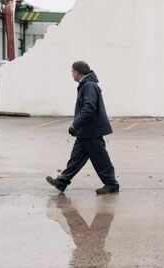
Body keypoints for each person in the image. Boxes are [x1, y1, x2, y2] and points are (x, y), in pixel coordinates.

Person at [46, 61, 120, 194]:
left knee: (100, 158)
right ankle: (61, 182)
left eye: (72, 71)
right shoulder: (87, 84)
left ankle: (111, 184)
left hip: (92, 130)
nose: (72, 74)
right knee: (76, 158)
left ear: (77, 72)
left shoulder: (89, 85)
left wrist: (76, 123)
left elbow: (89, 106)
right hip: (86, 131)